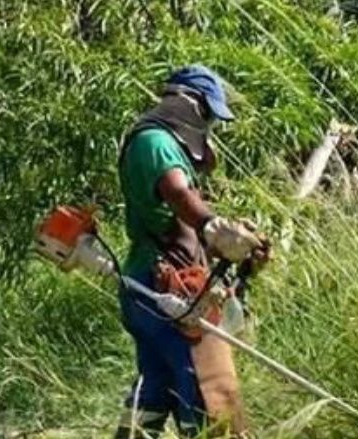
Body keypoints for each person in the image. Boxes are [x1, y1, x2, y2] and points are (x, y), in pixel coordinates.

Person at [114, 65, 268, 439]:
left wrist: (237, 251)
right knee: (206, 387)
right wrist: (212, 226)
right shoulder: (154, 141)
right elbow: (179, 195)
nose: (209, 125)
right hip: (165, 286)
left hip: (157, 285)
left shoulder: (165, 144)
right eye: (209, 114)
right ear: (189, 103)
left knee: (156, 388)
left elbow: (185, 217)